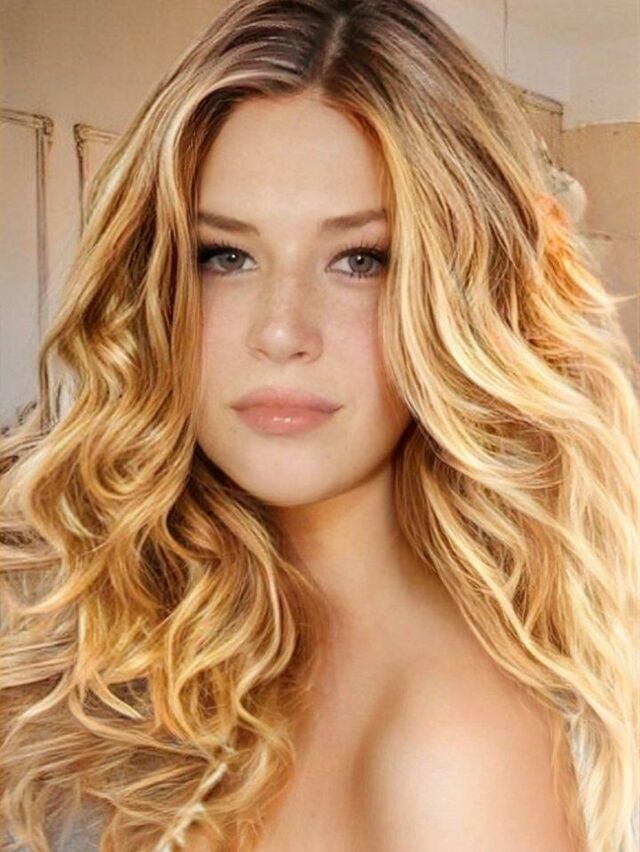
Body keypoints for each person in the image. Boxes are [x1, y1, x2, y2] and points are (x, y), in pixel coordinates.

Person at [1, 1, 638, 850]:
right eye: (225, 255)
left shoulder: (454, 747)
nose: (280, 332)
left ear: (462, 295)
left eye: (360, 259)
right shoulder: (134, 609)